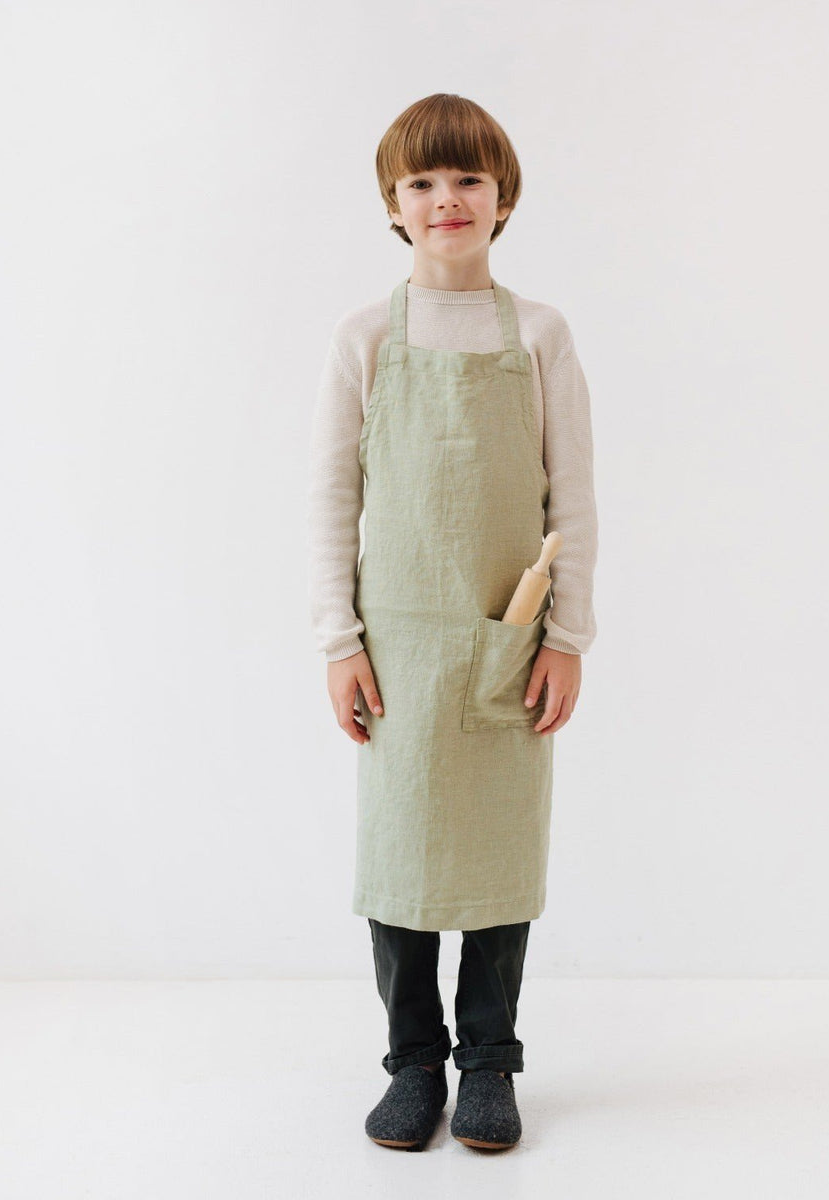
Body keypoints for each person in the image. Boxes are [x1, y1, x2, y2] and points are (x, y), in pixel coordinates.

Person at [307, 93, 598, 1152]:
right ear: (393, 203)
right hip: (398, 644)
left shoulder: (539, 334)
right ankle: (413, 1060)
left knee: (496, 857)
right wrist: (338, 640)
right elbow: (333, 497)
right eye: (422, 182)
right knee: (401, 858)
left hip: (506, 640)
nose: (447, 199)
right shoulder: (367, 336)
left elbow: (573, 498)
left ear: (502, 196)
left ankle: (488, 1063)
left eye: (468, 178)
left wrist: (566, 635)